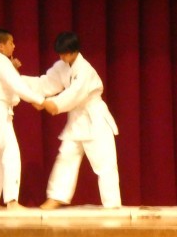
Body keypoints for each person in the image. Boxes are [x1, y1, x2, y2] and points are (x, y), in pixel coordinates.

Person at [23, 31, 121, 209]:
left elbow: (73, 95)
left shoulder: (85, 70)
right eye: (60, 54)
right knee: (66, 157)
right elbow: (45, 83)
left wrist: (47, 103)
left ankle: (112, 205)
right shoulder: (62, 66)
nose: (62, 57)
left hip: (95, 119)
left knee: (105, 164)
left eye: (65, 53)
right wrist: (19, 82)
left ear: (74, 51)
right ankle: (55, 197)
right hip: (76, 120)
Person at [0, 29, 44, 209]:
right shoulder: (1, 61)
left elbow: (6, 84)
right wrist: (38, 100)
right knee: (11, 155)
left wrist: (12, 68)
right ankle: (12, 201)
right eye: (11, 43)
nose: (14, 46)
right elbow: (17, 85)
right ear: (1, 46)